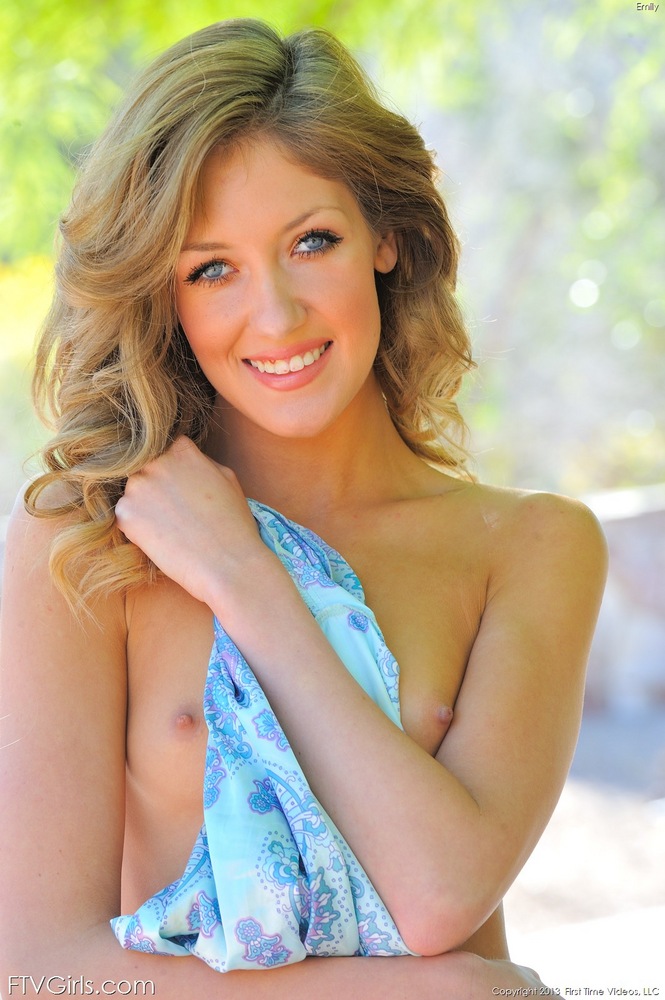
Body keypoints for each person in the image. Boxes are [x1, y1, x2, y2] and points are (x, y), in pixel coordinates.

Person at [0, 18, 607, 997]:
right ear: (161, 293)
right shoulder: (85, 542)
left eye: (311, 241)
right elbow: (37, 973)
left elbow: (440, 895)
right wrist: (436, 993)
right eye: (212, 268)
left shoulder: (531, 546)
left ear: (385, 237)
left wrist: (248, 582)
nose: (276, 316)